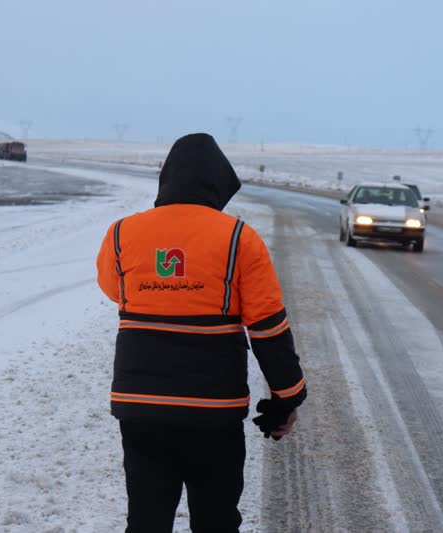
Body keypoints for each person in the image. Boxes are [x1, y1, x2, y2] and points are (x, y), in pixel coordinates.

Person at [96, 133, 307, 532]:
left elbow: (114, 289)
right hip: (214, 412)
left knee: (146, 521)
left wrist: (162, 292)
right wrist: (287, 397)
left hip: (140, 408)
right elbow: (268, 327)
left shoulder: (121, 233)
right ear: (218, 182)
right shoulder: (239, 238)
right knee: (216, 521)